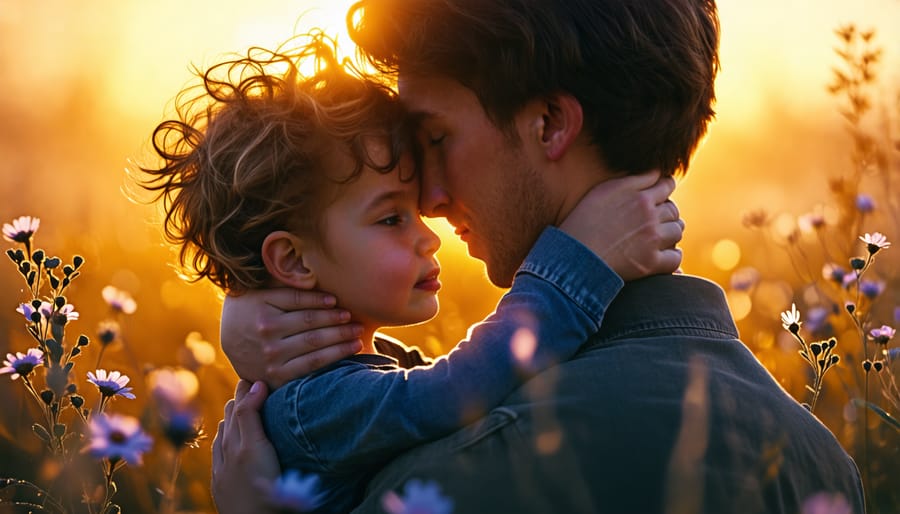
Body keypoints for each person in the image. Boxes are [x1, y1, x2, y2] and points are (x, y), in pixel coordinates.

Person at [213, 0, 867, 512]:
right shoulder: (824, 465)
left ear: (550, 123)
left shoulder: (460, 476)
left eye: (437, 138)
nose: (432, 201)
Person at [138, 34, 683, 513]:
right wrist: (574, 267)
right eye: (392, 217)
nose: (430, 231)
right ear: (295, 261)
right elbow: (453, 393)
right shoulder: (317, 404)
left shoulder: (338, 385)